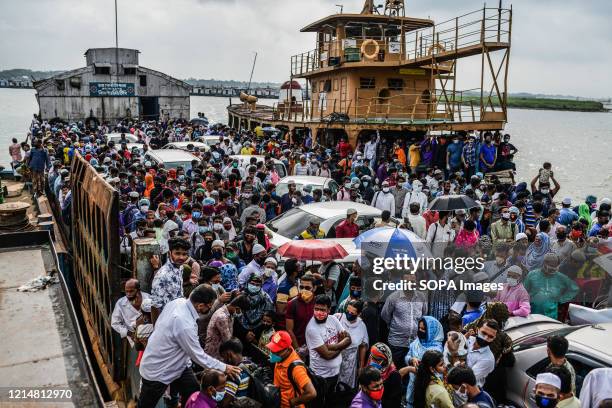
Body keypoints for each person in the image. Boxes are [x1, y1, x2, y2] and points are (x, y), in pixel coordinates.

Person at [138, 285, 241, 408]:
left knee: (193, 392)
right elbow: (198, 356)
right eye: (210, 305)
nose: (211, 308)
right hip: (159, 370)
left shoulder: (178, 302)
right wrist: (225, 367)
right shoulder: (183, 323)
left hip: (179, 365)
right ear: (200, 306)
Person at [305, 294, 352, 400]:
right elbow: (327, 355)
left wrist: (334, 346)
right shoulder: (312, 329)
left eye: (322, 309)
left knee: (330, 400)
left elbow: (349, 339)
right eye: (316, 309)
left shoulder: (333, 320)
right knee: (319, 402)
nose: (319, 312)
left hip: (335, 372)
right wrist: (341, 345)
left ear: (329, 310)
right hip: (320, 376)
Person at [381, 273, 428, 369]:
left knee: (412, 372)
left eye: (412, 281)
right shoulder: (393, 297)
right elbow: (385, 315)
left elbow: (424, 315)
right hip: (396, 343)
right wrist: (394, 326)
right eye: (407, 281)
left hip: (415, 343)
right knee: (395, 371)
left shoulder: (422, 297)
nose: (410, 283)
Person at [266, 330, 317, 408]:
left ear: (287, 349)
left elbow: (311, 393)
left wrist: (292, 402)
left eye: (276, 351)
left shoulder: (296, 369)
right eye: (272, 349)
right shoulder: (281, 358)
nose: (273, 353)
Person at [403, 316, 444, 408]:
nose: (420, 331)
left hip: (428, 385)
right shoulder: (416, 343)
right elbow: (407, 357)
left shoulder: (436, 350)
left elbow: (438, 371)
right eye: (419, 328)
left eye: (423, 329)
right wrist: (411, 359)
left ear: (431, 331)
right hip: (413, 384)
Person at [523, 253, 579, 319]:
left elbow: (574, 289)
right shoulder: (532, 275)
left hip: (551, 315)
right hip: (533, 312)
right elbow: (524, 293)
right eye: (550, 267)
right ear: (544, 263)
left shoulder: (561, 277)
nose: (552, 270)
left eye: (554, 268)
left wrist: (562, 299)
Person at [150, 237, 191, 323]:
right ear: (169, 253)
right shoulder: (162, 275)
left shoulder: (181, 268)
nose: (181, 257)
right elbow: (155, 306)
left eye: (184, 254)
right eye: (177, 253)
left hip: (177, 317)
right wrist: (157, 329)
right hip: (165, 321)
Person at [334, 299, 369, 388]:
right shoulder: (338, 318)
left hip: (350, 361)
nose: (349, 314)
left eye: (352, 313)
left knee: (345, 387)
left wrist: (361, 366)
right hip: (334, 356)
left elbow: (363, 346)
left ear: (359, 314)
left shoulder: (362, 325)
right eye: (348, 311)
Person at [204, 294, 250, 359]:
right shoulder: (222, 317)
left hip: (220, 352)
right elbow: (228, 340)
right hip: (213, 353)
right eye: (241, 311)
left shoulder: (230, 314)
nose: (241, 314)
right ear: (237, 308)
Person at [111, 279, 151, 347]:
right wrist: (130, 333)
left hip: (151, 335)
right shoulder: (120, 303)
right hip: (135, 340)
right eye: (126, 292)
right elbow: (115, 323)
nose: (128, 294)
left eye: (131, 291)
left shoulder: (148, 298)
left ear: (138, 290)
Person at [367, 343, 402, 408]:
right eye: (372, 357)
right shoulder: (369, 369)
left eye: (377, 359)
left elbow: (394, 402)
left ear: (386, 361)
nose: (373, 361)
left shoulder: (394, 376)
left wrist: (376, 402)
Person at [286, 274, 316, 348]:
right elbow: (289, 330)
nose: (304, 290)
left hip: (315, 344)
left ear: (314, 288)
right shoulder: (292, 304)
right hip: (299, 344)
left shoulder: (318, 302)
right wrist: (298, 349)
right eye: (301, 287)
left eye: (307, 288)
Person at [465, 319, 498, 387]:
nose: (486, 338)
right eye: (484, 333)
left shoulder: (488, 359)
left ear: (494, 338)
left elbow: (467, 379)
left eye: (490, 337)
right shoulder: (468, 339)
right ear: (477, 330)